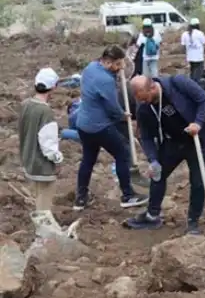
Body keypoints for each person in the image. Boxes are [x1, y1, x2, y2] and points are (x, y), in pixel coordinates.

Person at [123, 75, 205, 234]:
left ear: (152, 87)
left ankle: (193, 222)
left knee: (198, 182)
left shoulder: (178, 84)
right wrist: (152, 160)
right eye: (141, 100)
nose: (145, 102)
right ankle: (152, 216)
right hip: (174, 141)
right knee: (158, 175)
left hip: (197, 138)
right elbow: (146, 136)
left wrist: (198, 123)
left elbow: (204, 100)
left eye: (146, 98)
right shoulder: (144, 107)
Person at [74, 46, 148, 210]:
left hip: (83, 124)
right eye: (118, 64)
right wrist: (123, 115)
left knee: (88, 159)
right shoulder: (106, 80)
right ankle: (128, 196)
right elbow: (112, 107)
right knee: (123, 153)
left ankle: (80, 198)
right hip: (99, 127)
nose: (121, 68)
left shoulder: (90, 68)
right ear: (107, 62)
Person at [62, 83, 150, 188]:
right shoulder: (136, 102)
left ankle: (82, 195)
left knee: (90, 155)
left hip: (92, 119)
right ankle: (128, 183)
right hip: (94, 121)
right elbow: (138, 130)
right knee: (122, 148)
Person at [18, 68, 64, 223]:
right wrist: (57, 160)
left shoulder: (26, 105)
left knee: (38, 195)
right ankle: (44, 233)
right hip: (42, 165)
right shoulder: (45, 112)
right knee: (44, 203)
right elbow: (48, 144)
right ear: (53, 87)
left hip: (28, 159)